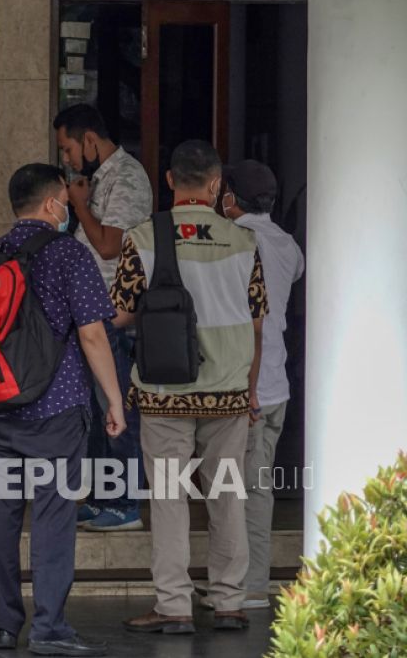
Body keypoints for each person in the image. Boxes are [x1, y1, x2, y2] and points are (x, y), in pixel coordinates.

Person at [113, 140, 268, 634]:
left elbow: (120, 311)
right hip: (227, 390)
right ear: (217, 184)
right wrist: (250, 388)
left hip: (164, 391)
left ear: (169, 180)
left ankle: (175, 606)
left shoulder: (144, 237)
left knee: (169, 497)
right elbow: (257, 323)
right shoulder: (244, 242)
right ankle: (228, 601)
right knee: (227, 496)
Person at [0, 164, 123, 657]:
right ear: (50, 204)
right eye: (66, 198)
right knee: (53, 516)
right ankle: (50, 627)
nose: (69, 207)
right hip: (57, 407)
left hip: (0, 408)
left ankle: (0, 626)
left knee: (2, 514)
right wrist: (114, 400)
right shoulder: (68, 253)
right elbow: (92, 333)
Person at [54, 104, 152, 532]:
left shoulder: (127, 176)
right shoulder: (99, 179)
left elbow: (110, 246)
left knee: (118, 406)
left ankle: (126, 500)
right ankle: (102, 495)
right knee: (96, 410)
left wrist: (79, 206)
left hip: (114, 313)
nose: (68, 158)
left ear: (91, 140)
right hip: (92, 313)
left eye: (69, 148)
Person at [220, 160, 304, 610]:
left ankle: (249, 587)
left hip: (247, 385)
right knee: (254, 486)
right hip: (276, 383)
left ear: (231, 196)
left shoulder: (238, 242)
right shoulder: (288, 245)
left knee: (244, 491)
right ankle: (239, 581)